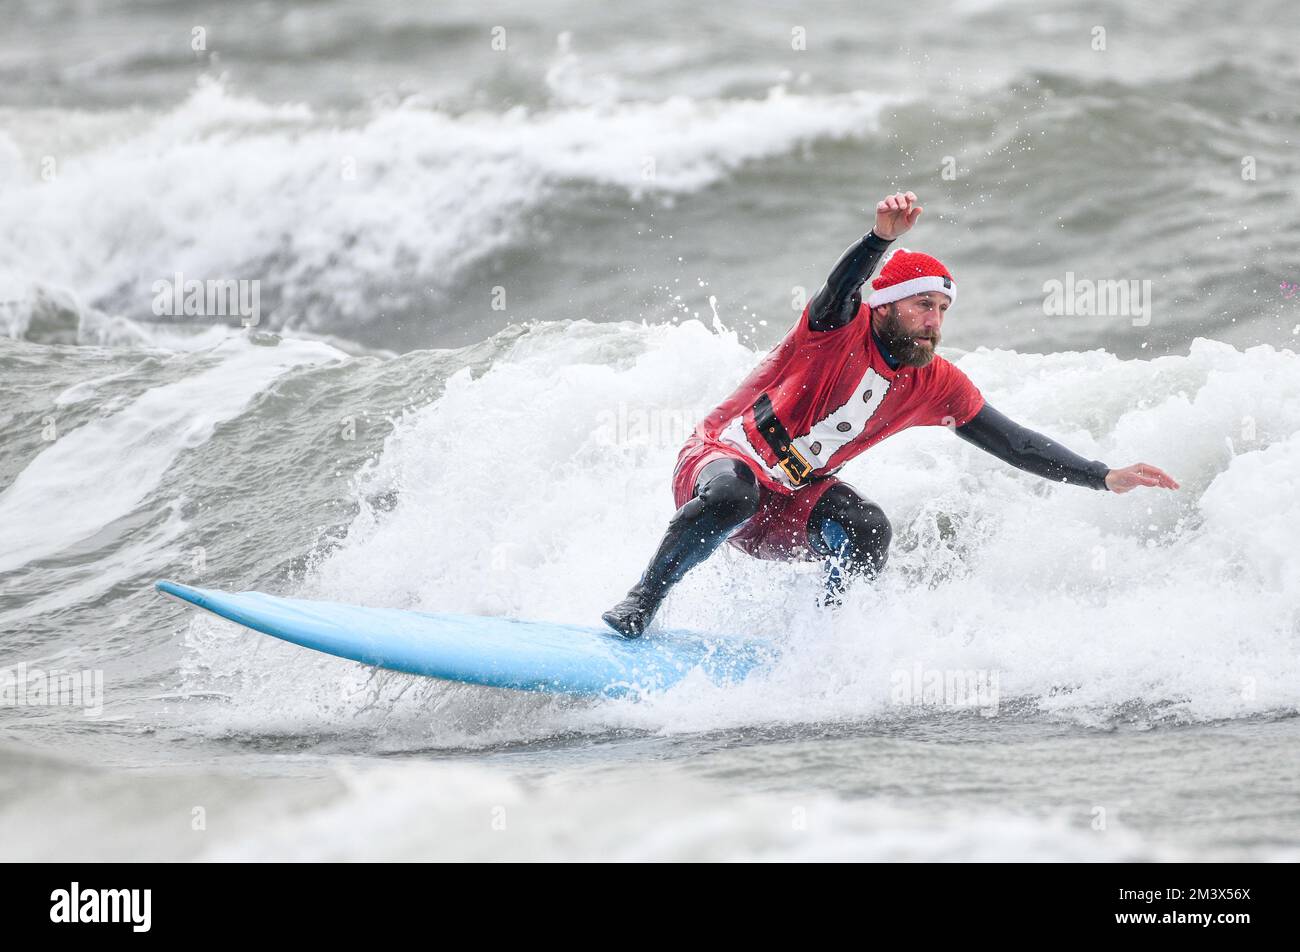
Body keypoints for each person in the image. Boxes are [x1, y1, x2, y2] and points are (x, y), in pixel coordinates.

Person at [602, 192, 1180, 638]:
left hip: (787, 505)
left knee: (868, 528)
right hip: (719, 466)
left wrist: (1102, 476)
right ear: (885, 306)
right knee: (735, 495)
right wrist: (880, 238)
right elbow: (840, 285)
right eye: (923, 304)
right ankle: (641, 604)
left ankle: (821, 643)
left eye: (943, 308)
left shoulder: (936, 384)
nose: (935, 320)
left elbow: (1016, 444)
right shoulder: (836, 330)